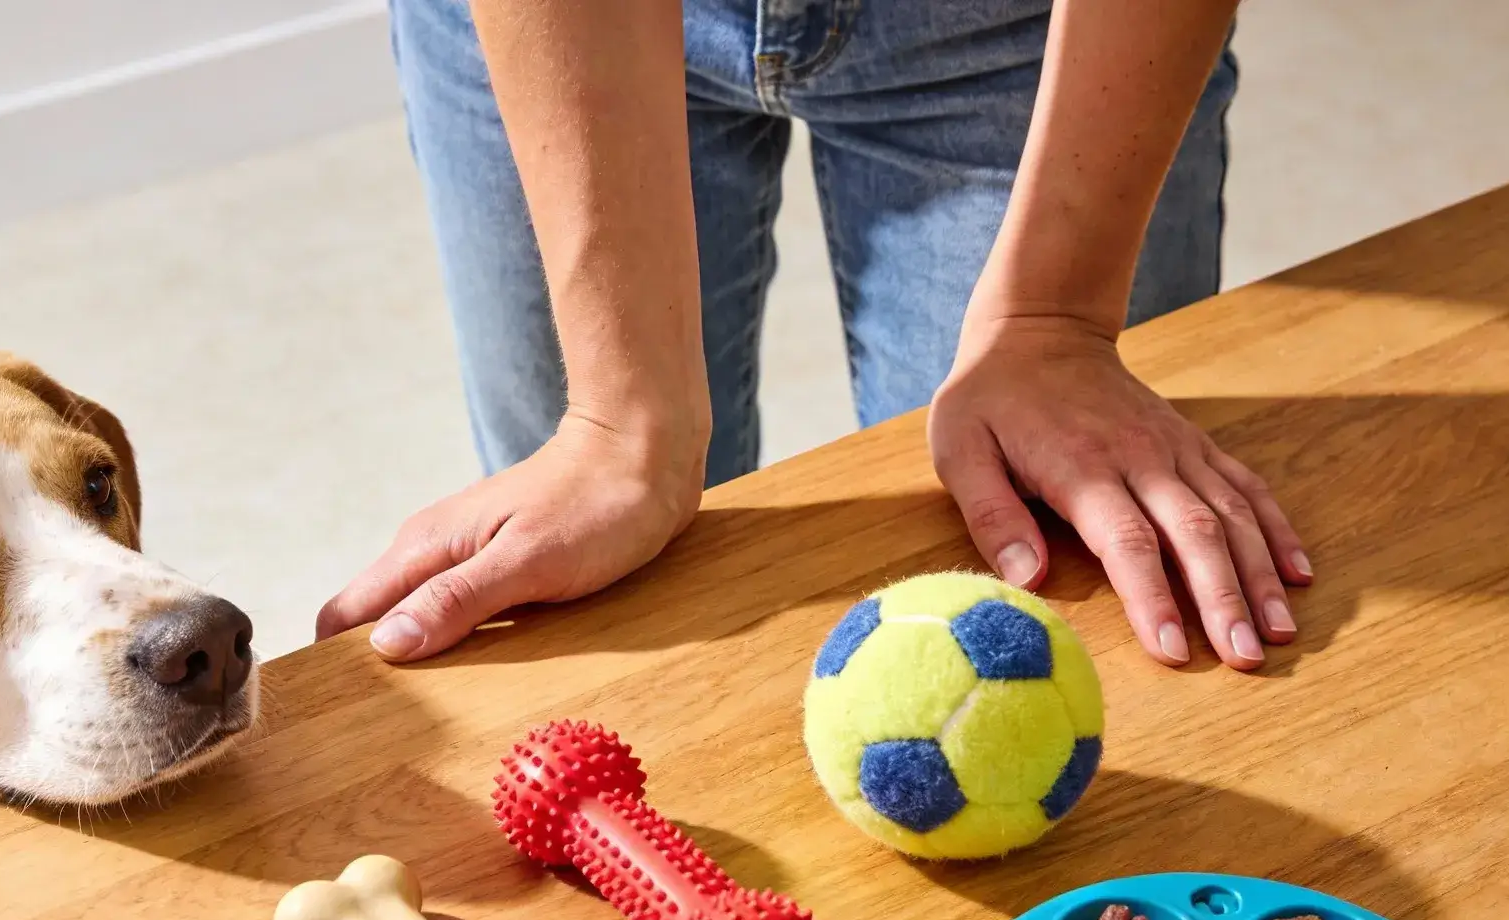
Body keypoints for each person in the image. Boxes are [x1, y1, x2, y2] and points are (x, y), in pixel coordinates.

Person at [315, 0, 1309, 673]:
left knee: (1072, 612)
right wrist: (619, 421)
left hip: (1022, 28)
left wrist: (1056, 318)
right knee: (587, 585)